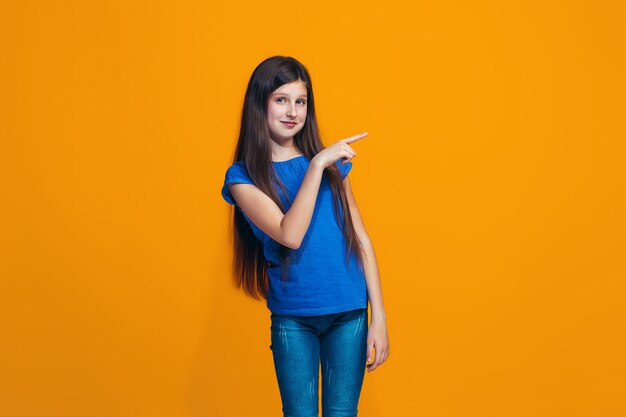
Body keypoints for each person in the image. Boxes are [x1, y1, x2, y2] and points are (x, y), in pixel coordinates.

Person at [220, 56, 389, 417]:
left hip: (350, 312)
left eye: (301, 101)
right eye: (281, 99)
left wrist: (380, 317)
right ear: (260, 103)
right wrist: (316, 165)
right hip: (293, 317)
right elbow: (289, 234)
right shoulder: (242, 178)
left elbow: (361, 239)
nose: (292, 111)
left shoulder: (332, 166)